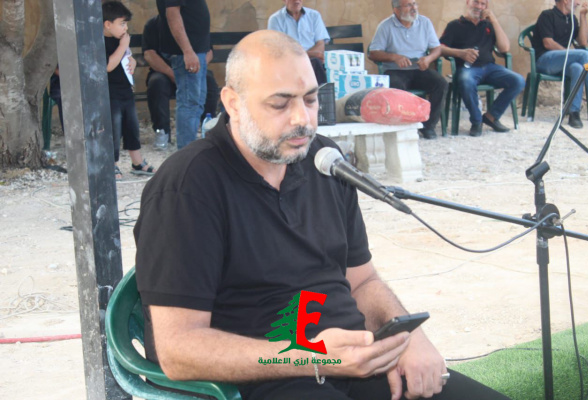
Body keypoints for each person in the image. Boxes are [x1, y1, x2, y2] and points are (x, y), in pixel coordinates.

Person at [134, 30, 510, 400]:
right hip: (260, 380)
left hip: (355, 360)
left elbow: (362, 281)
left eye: (311, 99)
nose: (303, 119)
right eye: (280, 104)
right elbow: (178, 351)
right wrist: (313, 357)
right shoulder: (187, 187)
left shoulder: (323, 159)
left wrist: (407, 337)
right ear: (233, 103)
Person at [439, 0, 525, 137]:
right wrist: (460, 53)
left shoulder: (489, 25)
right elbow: (440, 48)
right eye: (476, 2)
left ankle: (491, 116)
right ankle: (476, 121)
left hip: (490, 68)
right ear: (468, 2)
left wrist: (494, 20)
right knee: (466, 81)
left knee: (518, 80)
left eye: (483, 4)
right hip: (468, 68)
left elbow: (504, 48)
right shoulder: (455, 25)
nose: (479, 7)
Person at [368, 0, 448, 140]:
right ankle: (404, 126)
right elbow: (373, 53)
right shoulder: (386, 26)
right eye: (408, 5)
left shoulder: (425, 22)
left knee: (441, 83)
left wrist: (428, 59)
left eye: (414, 4)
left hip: (419, 69)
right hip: (395, 70)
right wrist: (394, 57)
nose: (414, 8)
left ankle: (428, 126)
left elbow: (437, 48)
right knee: (397, 87)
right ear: (396, 10)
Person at [142, 15, 219, 147]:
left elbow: (208, 51)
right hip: (165, 72)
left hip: (193, 69)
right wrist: (174, 74)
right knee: (156, 83)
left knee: (209, 81)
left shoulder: (195, 21)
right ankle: (162, 131)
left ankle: (208, 129)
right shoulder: (153, 24)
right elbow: (149, 54)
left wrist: (196, 68)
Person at [102, 1, 154, 180]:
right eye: (122, 23)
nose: (125, 28)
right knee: (114, 128)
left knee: (132, 126)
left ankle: (137, 162)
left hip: (126, 90)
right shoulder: (101, 42)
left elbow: (127, 57)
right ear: (107, 24)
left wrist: (132, 61)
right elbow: (108, 66)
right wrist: (123, 46)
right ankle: (112, 164)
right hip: (110, 93)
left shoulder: (121, 40)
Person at [156, 0, 211, 149]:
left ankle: (190, 148)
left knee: (197, 102)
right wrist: (187, 51)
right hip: (186, 52)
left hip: (197, 51)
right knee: (189, 103)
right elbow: (172, 14)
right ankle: (186, 152)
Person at [531, 0, 588, 129]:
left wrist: (583, 16)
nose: (578, 3)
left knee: (578, 68)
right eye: (576, 0)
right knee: (584, 55)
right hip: (545, 60)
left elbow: (583, 42)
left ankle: (574, 113)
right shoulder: (547, 15)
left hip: (563, 62)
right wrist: (569, 53)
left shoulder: (572, 19)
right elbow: (548, 43)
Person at [267, 0, 329, 85]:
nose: (297, 1)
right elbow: (279, 51)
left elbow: (320, 45)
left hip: (312, 62)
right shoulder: (275, 19)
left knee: (315, 62)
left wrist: (303, 56)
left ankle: (322, 92)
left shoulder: (314, 15)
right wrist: (308, 54)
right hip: (289, 62)